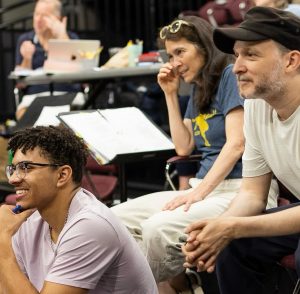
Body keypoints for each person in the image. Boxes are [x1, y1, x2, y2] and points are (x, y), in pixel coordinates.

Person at [111, 15, 278, 293]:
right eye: (169, 54)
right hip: (205, 187)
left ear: (203, 48)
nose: (173, 62)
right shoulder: (200, 86)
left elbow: (237, 144)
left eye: (180, 52)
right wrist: (170, 94)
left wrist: (197, 193)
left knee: (156, 229)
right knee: (114, 220)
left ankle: (163, 286)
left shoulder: (228, 76)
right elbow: (184, 147)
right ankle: (181, 284)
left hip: (238, 189)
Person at [182, 6, 300, 294]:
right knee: (229, 245)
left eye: (251, 55)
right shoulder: (257, 106)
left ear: (292, 60)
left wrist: (234, 227)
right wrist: (218, 229)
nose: (236, 67)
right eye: (236, 56)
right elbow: (252, 194)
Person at [0, 125, 157, 293]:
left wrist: (3, 242)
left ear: (62, 175)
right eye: (13, 169)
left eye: (25, 167)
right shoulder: (28, 221)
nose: (13, 179)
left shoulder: (91, 226)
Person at [14, 0, 82, 120]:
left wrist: (62, 36)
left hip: (67, 95)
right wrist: (27, 58)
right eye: (36, 14)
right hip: (35, 97)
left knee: (71, 120)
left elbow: (80, 71)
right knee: (23, 119)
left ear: (57, 19)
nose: (38, 19)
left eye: (45, 15)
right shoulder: (25, 40)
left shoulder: (71, 38)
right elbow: (21, 84)